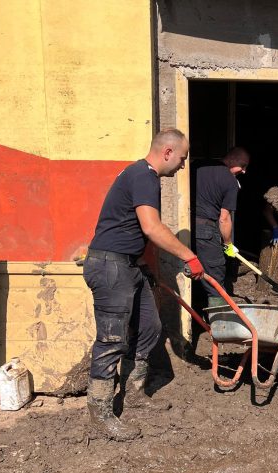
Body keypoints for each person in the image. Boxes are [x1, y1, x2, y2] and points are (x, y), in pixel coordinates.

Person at [83, 128, 204, 441]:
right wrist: (189, 256)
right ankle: (101, 412)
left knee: (150, 327)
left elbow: (134, 230)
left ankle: (134, 393)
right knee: (112, 339)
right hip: (110, 266)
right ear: (167, 152)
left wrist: (144, 267)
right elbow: (151, 227)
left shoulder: (142, 176)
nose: (182, 165)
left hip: (128, 265)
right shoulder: (143, 175)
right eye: (182, 158)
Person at [194, 146, 249, 307]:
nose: (244, 171)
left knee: (193, 268)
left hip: (188, 226)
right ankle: (219, 320)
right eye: (243, 165)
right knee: (215, 278)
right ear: (231, 160)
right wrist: (228, 244)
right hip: (206, 230)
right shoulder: (230, 182)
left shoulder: (198, 166)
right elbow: (224, 219)